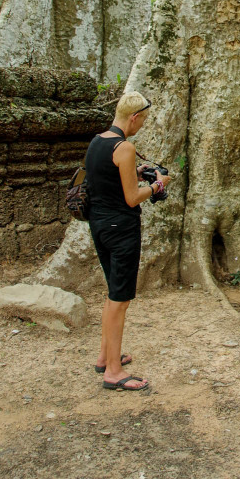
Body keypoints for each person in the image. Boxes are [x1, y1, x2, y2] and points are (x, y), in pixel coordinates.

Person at [85, 91, 170, 391]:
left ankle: (104, 356)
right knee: (120, 300)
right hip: (121, 229)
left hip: (99, 226)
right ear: (134, 117)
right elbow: (132, 197)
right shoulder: (124, 147)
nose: (141, 126)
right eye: (142, 121)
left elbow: (105, 178)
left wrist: (136, 173)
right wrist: (158, 184)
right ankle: (113, 372)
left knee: (112, 294)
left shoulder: (98, 142)